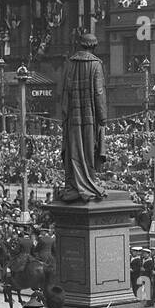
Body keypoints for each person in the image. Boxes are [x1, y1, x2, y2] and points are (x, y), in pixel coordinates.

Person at [55, 31, 108, 203]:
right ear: (94, 46)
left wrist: (64, 115)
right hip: (90, 117)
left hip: (72, 117)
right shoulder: (96, 65)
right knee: (89, 149)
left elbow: (62, 92)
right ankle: (88, 181)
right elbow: (99, 92)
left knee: (73, 149)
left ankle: (74, 182)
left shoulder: (69, 64)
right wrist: (103, 116)